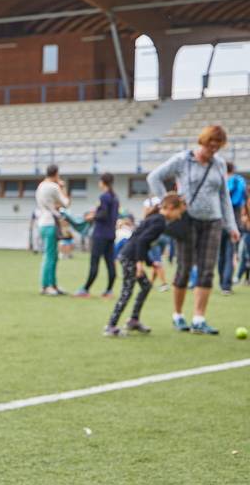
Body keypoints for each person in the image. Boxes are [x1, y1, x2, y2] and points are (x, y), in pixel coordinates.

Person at [147, 125, 240, 334]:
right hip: (187, 222)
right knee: (184, 268)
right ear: (203, 142)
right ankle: (178, 315)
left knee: (207, 271)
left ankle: (199, 318)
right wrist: (167, 203)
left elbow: (224, 196)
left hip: (213, 222)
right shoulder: (182, 160)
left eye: (217, 147)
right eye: (210, 146)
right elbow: (154, 177)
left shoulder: (219, 164)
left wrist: (231, 225)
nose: (213, 151)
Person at [104, 194, 186, 337]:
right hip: (130, 257)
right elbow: (141, 241)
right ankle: (111, 325)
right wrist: (140, 264)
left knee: (146, 286)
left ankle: (133, 320)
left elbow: (142, 242)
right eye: (179, 212)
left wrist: (149, 262)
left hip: (131, 255)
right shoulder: (160, 222)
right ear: (171, 208)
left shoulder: (157, 219)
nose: (179, 217)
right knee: (127, 291)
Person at [75, 172, 119, 298]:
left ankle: (85, 289)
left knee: (94, 262)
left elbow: (103, 214)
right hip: (111, 234)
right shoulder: (115, 197)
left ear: (103, 182)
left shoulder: (104, 197)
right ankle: (109, 290)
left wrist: (92, 216)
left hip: (100, 234)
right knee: (110, 262)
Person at [35, 164, 69, 295]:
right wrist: (63, 187)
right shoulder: (54, 187)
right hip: (51, 223)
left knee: (53, 256)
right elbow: (66, 202)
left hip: (43, 222)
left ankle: (52, 285)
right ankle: (47, 286)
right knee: (50, 256)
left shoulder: (41, 186)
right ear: (56, 174)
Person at [217, 162, 246, 294]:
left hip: (218, 220)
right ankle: (226, 285)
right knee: (230, 254)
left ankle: (221, 281)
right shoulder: (240, 181)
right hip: (234, 220)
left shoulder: (219, 180)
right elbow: (242, 200)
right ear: (233, 169)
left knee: (221, 254)